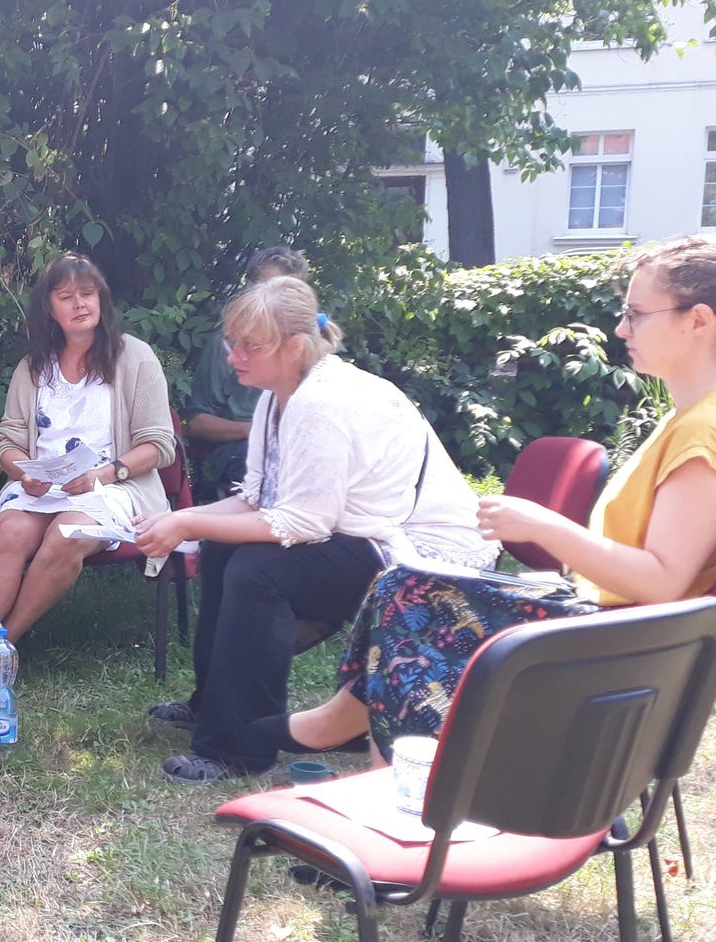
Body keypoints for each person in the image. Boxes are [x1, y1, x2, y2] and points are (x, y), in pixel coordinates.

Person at [277, 232, 716, 762]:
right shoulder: (702, 417)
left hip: (620, 648)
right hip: (615, 630)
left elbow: (662, 581)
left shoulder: (708, 431)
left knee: (409, 593)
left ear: (699, 321)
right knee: (404, 585)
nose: (621, 328)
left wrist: (544, 526)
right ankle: (349, 729)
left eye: (636, 314)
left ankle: (393, 771)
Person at [133, 276, 494, 782]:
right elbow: (259, 498)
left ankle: (236, 748)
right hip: (365, 534)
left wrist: (187, 520)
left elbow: (303, 522)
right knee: (222, 549)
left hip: (425, 558)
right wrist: (182, 522)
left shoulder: (322, 403)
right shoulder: (278, 394)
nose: (235, 356)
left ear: (296, 347)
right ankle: (213, 703)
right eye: (232, 343)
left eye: (250, 346)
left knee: (259, 571)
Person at [0, 254, 177, 643]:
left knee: (66, 534)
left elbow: (158, 445)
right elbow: (9, 441)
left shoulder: (135, 357)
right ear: (49, 309)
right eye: (66, 296)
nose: (80, 304)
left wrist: (103, 474)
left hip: (112, 487)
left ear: (101, 299)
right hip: (42, 489)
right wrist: (24, 471)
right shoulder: (33, 367)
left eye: (88, 293)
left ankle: (1, 645)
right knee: (10, 532)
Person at [184, 248, 308, 500]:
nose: (276, 301)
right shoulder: (226, 345)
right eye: (268, 289)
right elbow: (196, 424)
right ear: (250, 291)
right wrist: (259, 429)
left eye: (287, 293)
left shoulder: (311, 347)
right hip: (241, 450)